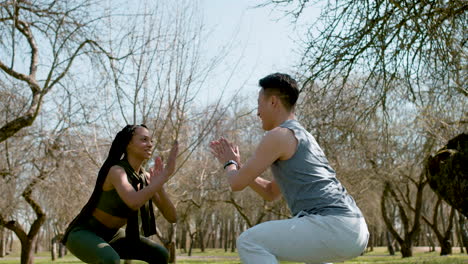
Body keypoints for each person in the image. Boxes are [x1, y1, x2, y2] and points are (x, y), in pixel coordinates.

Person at [209, 73, 369, 264]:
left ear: (273, 102)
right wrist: (241, 167)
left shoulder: (279, 135)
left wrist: (229, 163)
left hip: (334, 224)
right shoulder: (302, 136)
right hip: (351, 227)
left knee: (250, 241)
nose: (257, 112)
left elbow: (236, 183)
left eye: (259, 104)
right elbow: (270, 192)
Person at [62, 124, 178, 264]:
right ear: (128, 143)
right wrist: (160, 180)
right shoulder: (117, 171)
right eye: (144, 140)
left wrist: (160, 186)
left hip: (114, 235)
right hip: (85, 232)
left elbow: (172, 217)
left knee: (160, 254)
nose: (150, 145)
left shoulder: (147, 179)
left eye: (151, 141)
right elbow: (133, 202)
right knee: (110, 260)